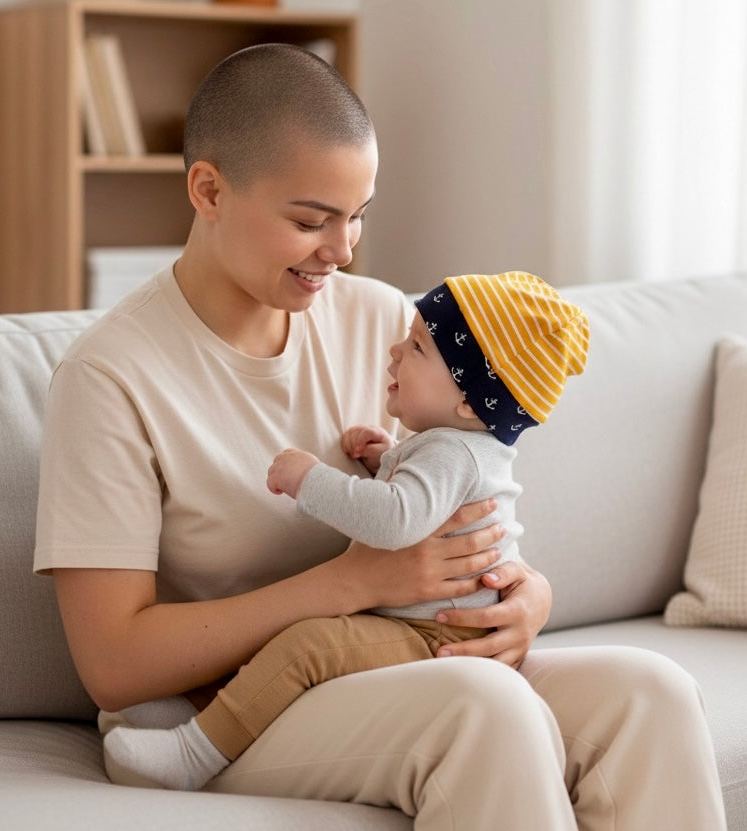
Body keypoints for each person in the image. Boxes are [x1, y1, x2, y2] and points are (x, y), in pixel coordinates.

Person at [34, 44, 727, 830]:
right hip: (220, 719)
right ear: (208, 189)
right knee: (482, 709)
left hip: (394, 658)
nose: (343, 249)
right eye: (310, 220)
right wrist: (349, 583)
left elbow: (454, 491)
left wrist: (526, 595)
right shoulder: (109, 376)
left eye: (358, 215)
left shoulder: (384, 323)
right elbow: (113, 665)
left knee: (652, 694)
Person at [100, 271, 591, 791]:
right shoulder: (460, 446)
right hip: (443, 626)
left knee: (308, 648)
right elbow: (431, 502)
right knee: (309, 646)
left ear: (470, 402)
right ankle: (201, 715)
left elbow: (396, 520)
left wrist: (309, 479)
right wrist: (389, 458)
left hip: (434, 633)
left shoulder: (453, 452)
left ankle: (193, 754)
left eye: (420, 347)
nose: (396, 351)